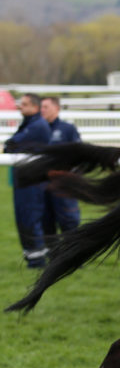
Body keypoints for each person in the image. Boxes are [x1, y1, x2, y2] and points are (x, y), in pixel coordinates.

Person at [4, 93, 52, 268]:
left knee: (30, 217)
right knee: (24, 217)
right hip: (24, 179)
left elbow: (11, 145)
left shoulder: (38, 126)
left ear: (35, 107)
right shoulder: (29, 124)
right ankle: (33, 258)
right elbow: (11, 145)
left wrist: (9, 146)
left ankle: (37, 260)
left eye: (24, 104)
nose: (20, 107)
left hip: (32, 181)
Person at [40, 96, 81, 239]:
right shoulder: (38, 130)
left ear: (57, 108)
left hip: (63, 187)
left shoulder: (67, 129)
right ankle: (52, 260)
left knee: (69, 224)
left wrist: (73, 181)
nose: (42, 110)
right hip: (42, 186)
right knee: (46, 226)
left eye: (46, 107)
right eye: (41, 107)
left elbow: (79, 156)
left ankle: (73, 259)